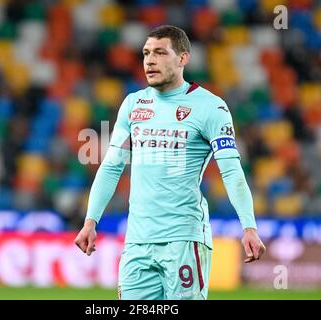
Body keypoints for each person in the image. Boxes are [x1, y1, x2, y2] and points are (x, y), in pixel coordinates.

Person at [75, 25, 266, 300]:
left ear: (183, 58)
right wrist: (90, 220)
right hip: (137, 242)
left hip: (184, 239)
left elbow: (231, 170)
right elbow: (111, 166)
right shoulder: (133, 105)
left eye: (160, 53)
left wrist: (248, 226)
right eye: (146, 53)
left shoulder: (211, 107)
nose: (150, 60)